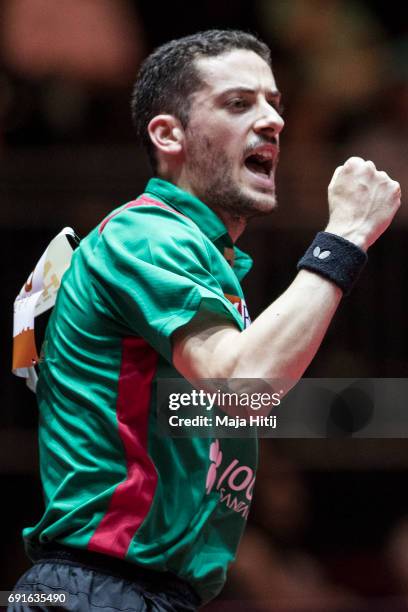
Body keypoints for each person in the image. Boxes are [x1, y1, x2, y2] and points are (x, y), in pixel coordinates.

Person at [9, 29, 400, 612]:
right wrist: (343, 238)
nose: (273, 121)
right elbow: (240, 390)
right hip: (98, 590)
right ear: (169, 134)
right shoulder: (145, 234)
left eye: (275, 103)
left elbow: (185, 406)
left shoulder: (204, 260)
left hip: (146, 592)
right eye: (239, 103)